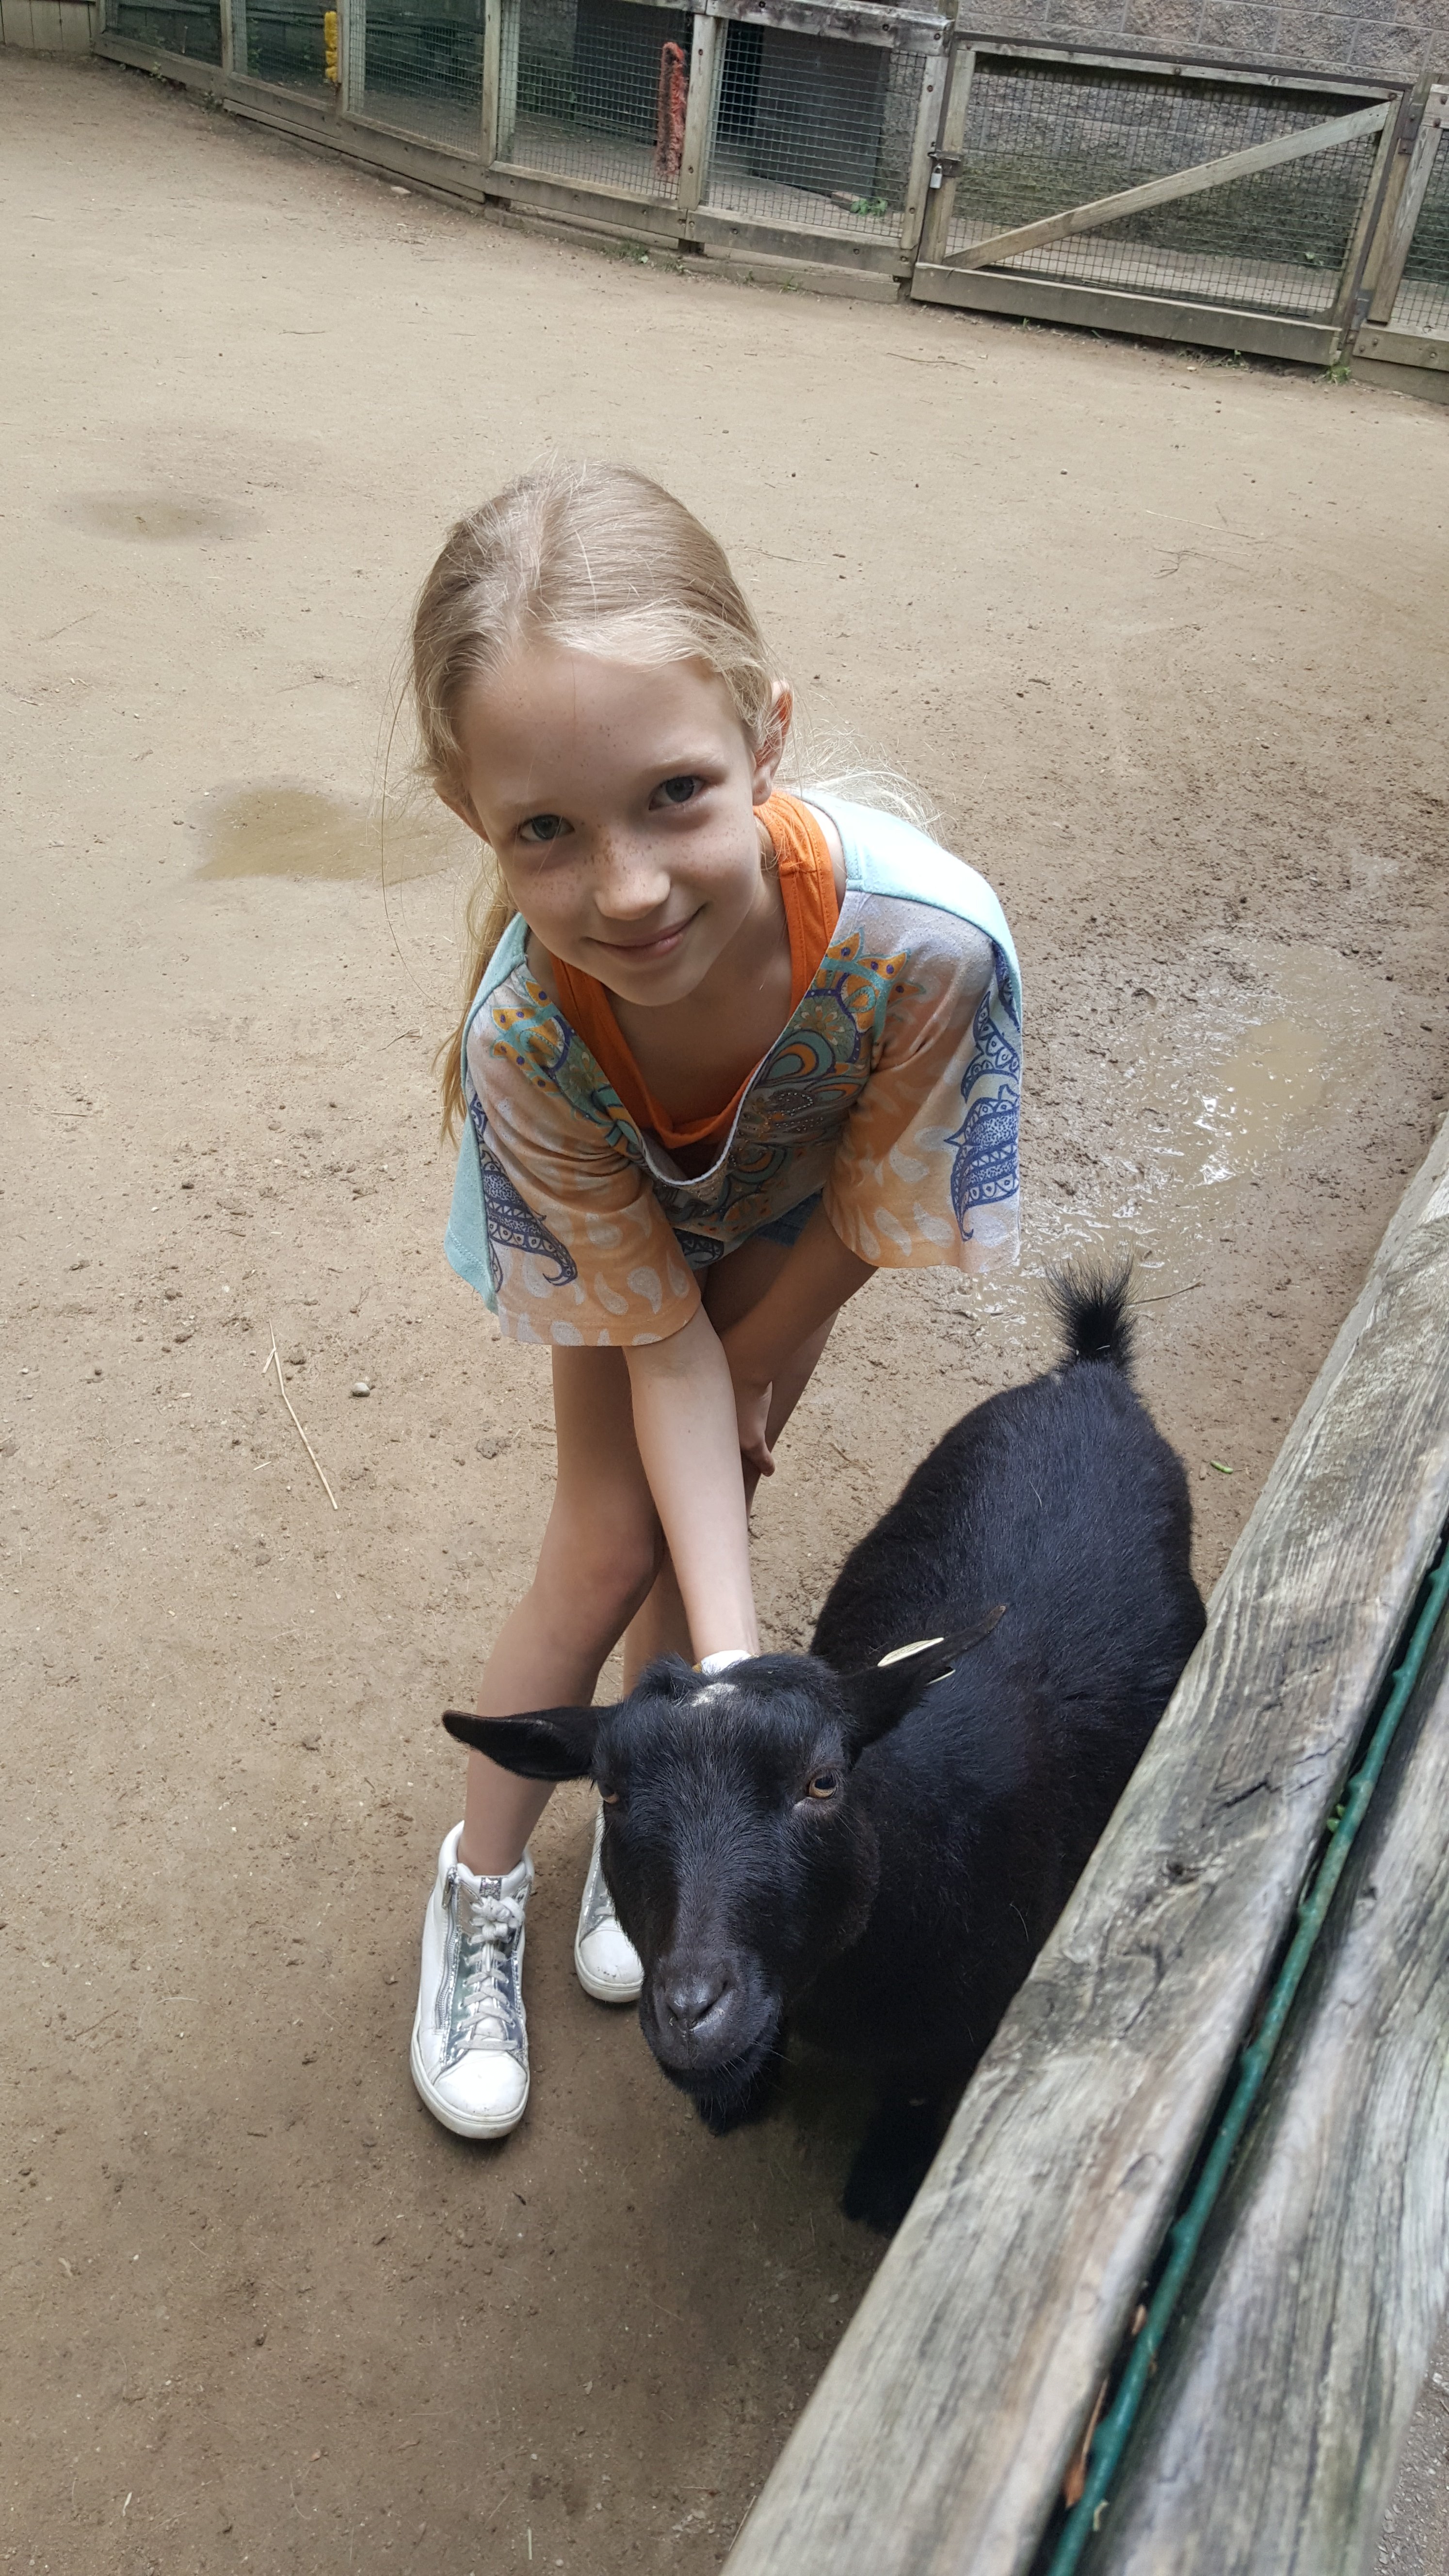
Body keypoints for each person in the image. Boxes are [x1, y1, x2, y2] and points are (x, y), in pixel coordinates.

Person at [407, 458, 1022, 2141]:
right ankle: (479, 1888)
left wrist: (751, 1378)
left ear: (764, 739)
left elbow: (875, 1210)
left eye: (673, 793)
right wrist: (743, 1681)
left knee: (712, 1507)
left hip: (794, 1217)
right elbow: (653, 1335)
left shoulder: (927, 949)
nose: (624, 890)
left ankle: (662, 1849)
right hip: (619, 1227)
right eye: (546, 829)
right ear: (472, 812)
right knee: (608, 1544)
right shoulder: (527, 1037)